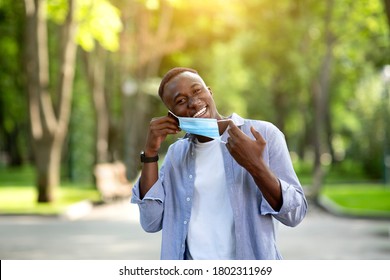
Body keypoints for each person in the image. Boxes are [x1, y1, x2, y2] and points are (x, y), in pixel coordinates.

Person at [131, 67, 307, 260]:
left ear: (209, 92)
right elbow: (151, 221)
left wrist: (256, 166)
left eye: (197, 91)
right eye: (180, 101)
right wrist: (150, 153)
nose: (193, 102)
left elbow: (294, 215)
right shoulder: (176, 155)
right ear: (172, 116)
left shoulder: (264, 134)